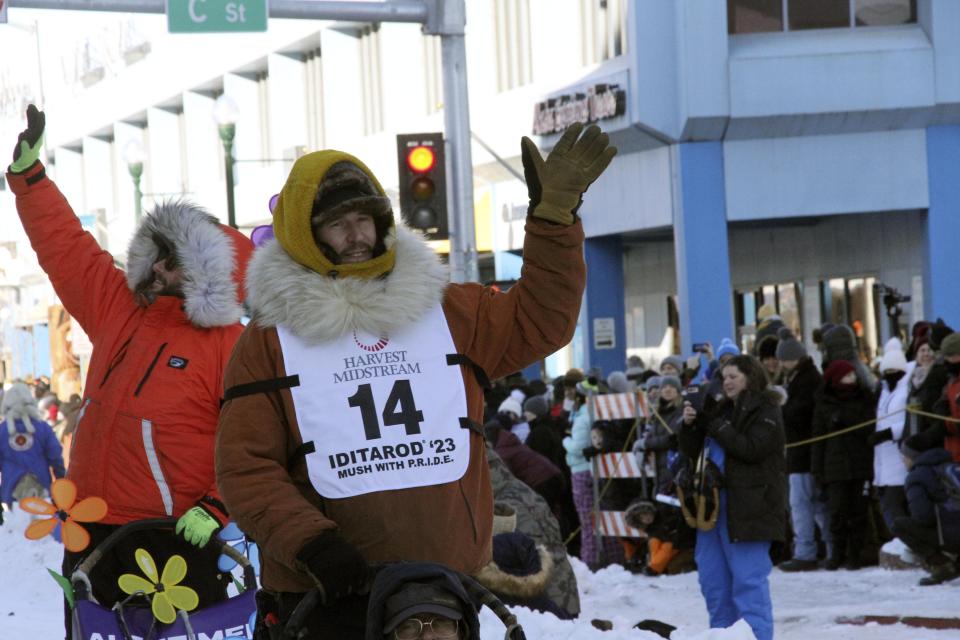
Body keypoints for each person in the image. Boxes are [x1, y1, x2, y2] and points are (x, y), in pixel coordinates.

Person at [215, 123, 615, 636]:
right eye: (337, 225)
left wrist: (554, 223)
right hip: (329, 589)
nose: (357, 235)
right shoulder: (270, 341)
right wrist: (311, 544)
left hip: (442, 583)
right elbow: (245, 466)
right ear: (301, 233)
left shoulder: (446, 309)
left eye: (365, 219)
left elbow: (540, 321)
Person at [7, 105, 253, 637]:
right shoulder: (121, 309)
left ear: (209, 272)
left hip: (176, 536)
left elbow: (253, 437)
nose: (161, 267)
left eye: (177, 259)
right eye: (159, 254)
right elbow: (69, 252)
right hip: (92, 529)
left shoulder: (229, 344)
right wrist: (32, 182)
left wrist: (216, 506)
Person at [678, 355, 786, 640]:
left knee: (748, 583)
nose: (726, 381)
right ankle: (722, 635)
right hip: (713, 509)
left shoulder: (767, 410)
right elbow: (691, 452)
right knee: (714, 584)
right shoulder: (722, 411)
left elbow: (751, 449)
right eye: (724, 376)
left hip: (751, 510)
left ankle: (758, 636)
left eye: (733, 376)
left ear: (750, 377)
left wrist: (714, 424)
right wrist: (690, 426)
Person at [810, 360, 875, 570]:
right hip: (834, 467)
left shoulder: (864, 399)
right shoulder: (824, 405)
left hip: (860, 464)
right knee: (836, 513)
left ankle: (855, 554)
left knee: (858, 513)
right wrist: (817, 470)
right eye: (847, 377)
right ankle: (837, 553)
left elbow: (868, 428)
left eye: (853, 376)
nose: (852, 380)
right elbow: (818, 439)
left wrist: (844, 418)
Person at [775, 329, 831, 572]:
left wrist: (781, 407)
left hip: (803, 454)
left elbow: (800, 414)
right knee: (815, 504)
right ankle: (828, 548)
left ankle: (807, 551)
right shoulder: (802, 377)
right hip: (804, 454)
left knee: (802, 504)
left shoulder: (805, 380)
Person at [892, 445, 960, 586]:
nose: (903, 462)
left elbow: (924, 517)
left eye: (904, 457)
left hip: (954, 536)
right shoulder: (953, 467)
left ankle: (944, 566)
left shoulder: (916, 477)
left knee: (899, 525)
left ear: (912, 458)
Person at [869, 338, 913, 530]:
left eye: (894, 372)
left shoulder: (905, 392)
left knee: (897, 508)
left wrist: (888, 433)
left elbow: (908, 421)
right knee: (887, 507)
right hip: (882, 461)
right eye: (887, 372)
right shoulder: (884, 393)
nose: (890, 376)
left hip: (898, 461)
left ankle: (903, 544)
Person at [0, 381, 66, 509]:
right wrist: (61, 479)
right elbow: (55, 457)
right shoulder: (43, 428)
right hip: (41, 489)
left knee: (16, 528)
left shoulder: (2, 431)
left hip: (11, 494)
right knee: (42, 528)